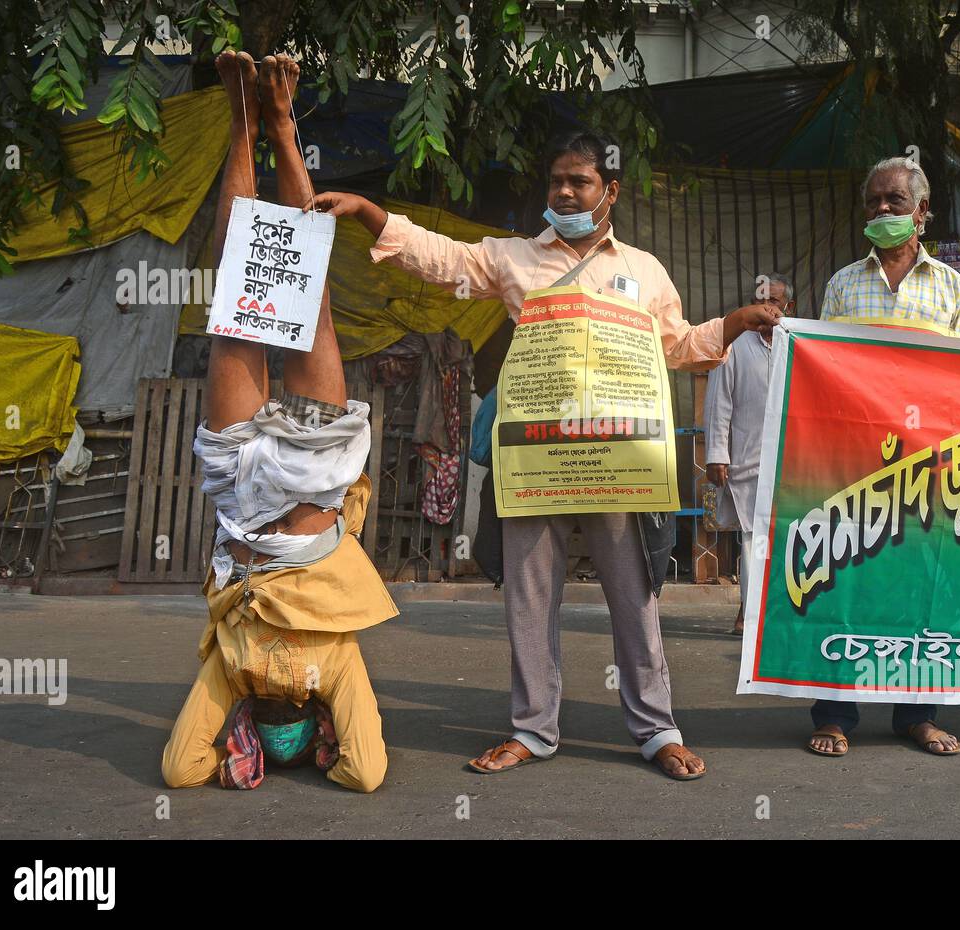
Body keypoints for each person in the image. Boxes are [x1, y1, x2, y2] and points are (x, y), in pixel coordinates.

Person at [306, 130, 780, 780]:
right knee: (528, 598)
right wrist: (367, 213)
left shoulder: (643, 271)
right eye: (556, 180)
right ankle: (533, 729)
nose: (563, 191)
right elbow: (442, 258)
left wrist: (732, 323)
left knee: (634, 596)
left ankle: (657, 729)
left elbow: (678, 346)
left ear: (609, 192)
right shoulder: (514, 259)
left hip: (620, 462)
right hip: (536, 460)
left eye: (579, 181)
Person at [160, 51, 396, 793]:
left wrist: (230, 739)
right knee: (308, 295)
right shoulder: (339, 667)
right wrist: (331, 736)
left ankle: (242, 121)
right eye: (286, 725)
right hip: (317, 483)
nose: (278, 713)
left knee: (239, 300)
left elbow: (181, 769)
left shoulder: (229, 671)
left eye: (269, 729)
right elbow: (366, 773)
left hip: (241, 499)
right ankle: (284, 128)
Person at [811, 155, 960, 758]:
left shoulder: (952, 289)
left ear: (922, 213)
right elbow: (823, 374)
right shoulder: (842, 285)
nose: (882, 211)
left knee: (921, 590)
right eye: (873, 202)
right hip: (855, 466)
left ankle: (917, 714)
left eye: (895, 202)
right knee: (845, 584)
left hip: (928, 471)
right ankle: (834, 715)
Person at [704, 274, 794, 635]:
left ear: (790, 308)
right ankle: (750, 612)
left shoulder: (799, 343)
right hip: (748, 458)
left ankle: (779, 612)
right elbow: (719, 402)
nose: (769, 308)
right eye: (762, 301)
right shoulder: (736, 345)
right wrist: (716, 453)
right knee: (753, 537)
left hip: (793, 460)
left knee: (791, 537)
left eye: (775, 301)